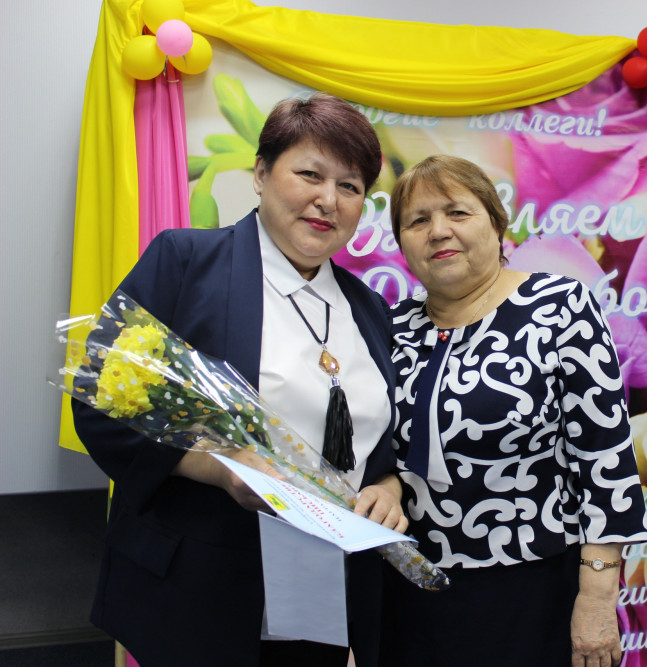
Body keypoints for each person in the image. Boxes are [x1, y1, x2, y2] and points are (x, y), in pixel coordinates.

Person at [72, 93, 405, 667]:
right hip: (200, 589)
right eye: (310, 175)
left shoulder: (368, 307)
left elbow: (380, 443)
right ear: (260, 173)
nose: (328, 200)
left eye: (350, 186)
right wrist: (219, 466)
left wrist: (389, 486)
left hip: (327, 591)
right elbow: (103, 403)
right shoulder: (185, 262)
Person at [382, 155, 647, 667]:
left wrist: (597, 598)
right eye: (417, 221)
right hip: (408, 595)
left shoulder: (559, 306)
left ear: (497, 222)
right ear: (402, 243)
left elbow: (606, 461)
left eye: (457, 212)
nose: (438, 231)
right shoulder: (391, 326)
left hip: (533, 588)